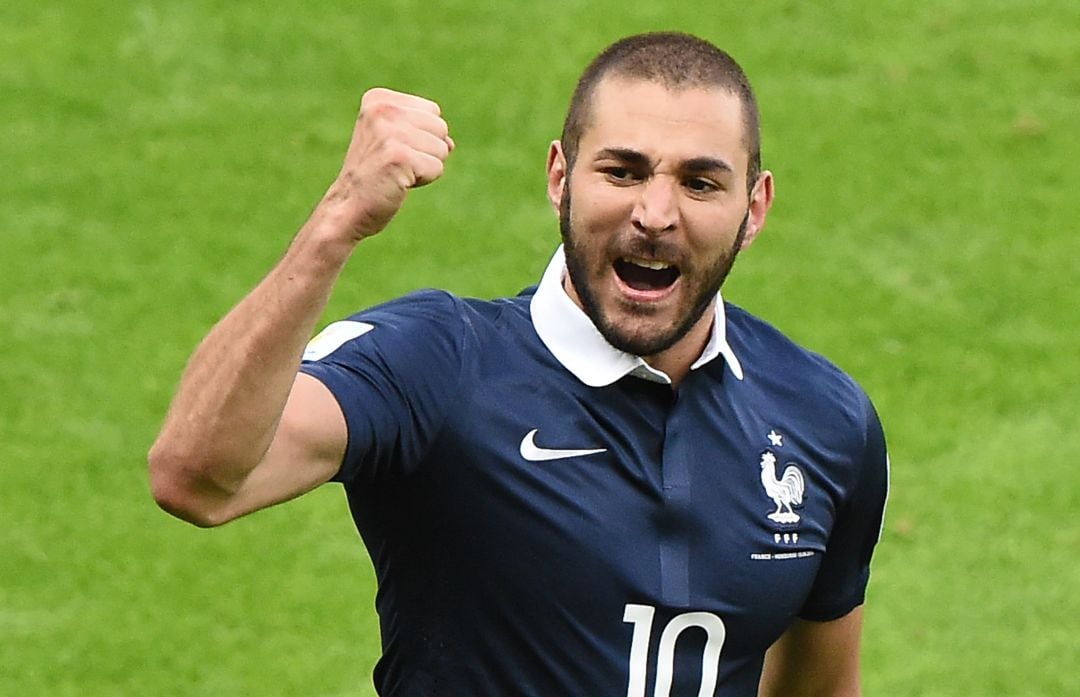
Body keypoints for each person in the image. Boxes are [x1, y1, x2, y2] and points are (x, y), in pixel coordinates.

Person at [149, 31, 888, 697]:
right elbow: (199, 477)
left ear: (754, 208)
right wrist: (337, 223)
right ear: (560, 178)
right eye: (623, 171)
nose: (656, 214)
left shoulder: (824, 420)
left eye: (700, 182)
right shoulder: (439, 363)